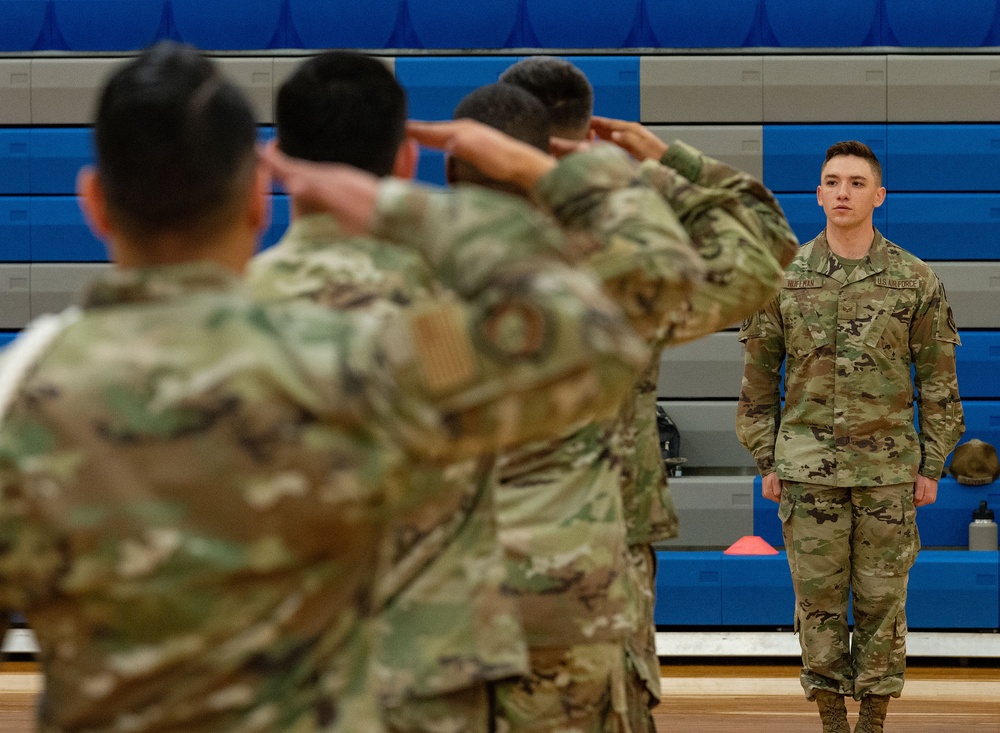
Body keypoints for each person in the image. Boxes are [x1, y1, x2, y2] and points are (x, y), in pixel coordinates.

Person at [0, 43, 652, 733]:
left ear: (95, 202)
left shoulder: (21, 392)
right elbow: (594, 338)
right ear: (258, 193)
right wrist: (419, 209)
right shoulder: (354, 362)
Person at [248, 52, 701, 733]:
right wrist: (556, 179)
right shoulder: (441, 302)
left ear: (275, 161)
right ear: (406, 163)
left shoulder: (231, 311)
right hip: (458, 638)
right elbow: (650, 288)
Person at [501, 58, 800, 733]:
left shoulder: (443, 258)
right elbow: (768, 246)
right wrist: (663, 167)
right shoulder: (622, 267)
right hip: (604, 543)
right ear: (580, 143)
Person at [736, 141, 965, 733]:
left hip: (889, 474)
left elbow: (940, 384)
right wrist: (767, 457)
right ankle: (834, 722)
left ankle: (874, 723)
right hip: (805, 469)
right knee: (816, 604)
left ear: (878, 196)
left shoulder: (915, 279)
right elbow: (758, 381)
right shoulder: (781, 278)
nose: (843, 192)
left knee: (882, 604)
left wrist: (932, 465)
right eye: (832, 182)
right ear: (817, 194)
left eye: (857, 183)